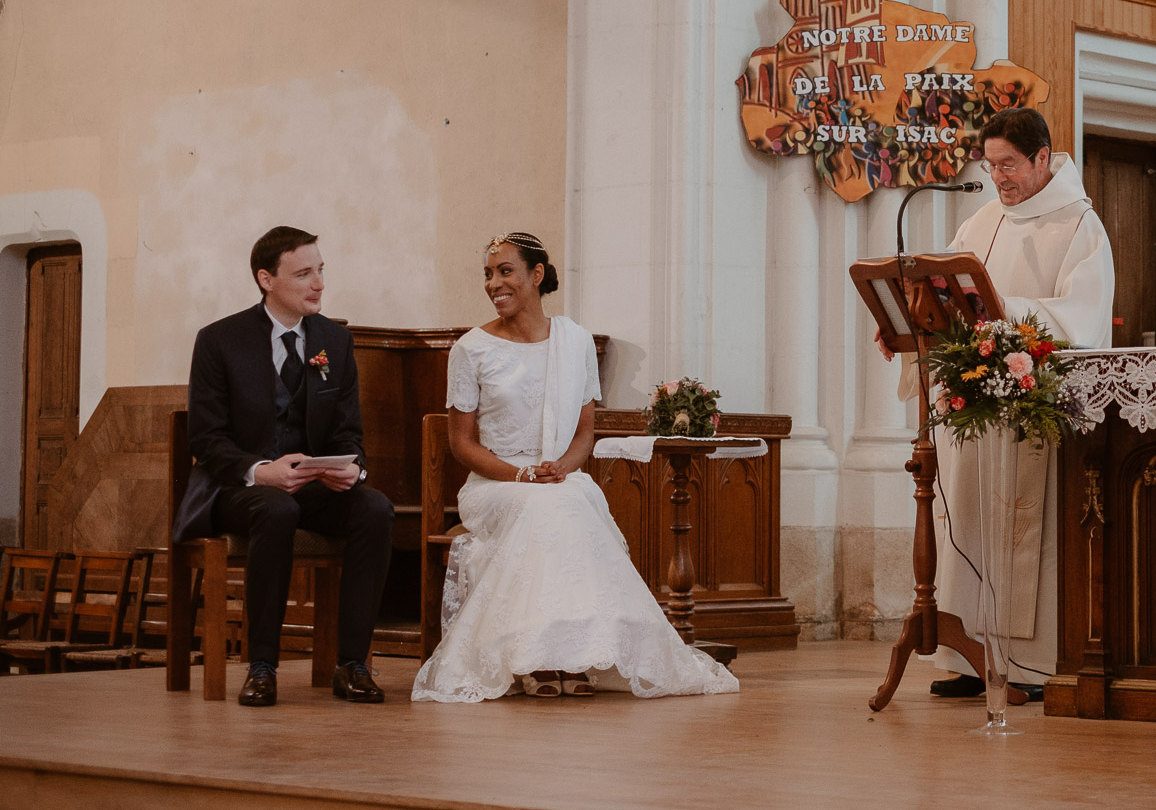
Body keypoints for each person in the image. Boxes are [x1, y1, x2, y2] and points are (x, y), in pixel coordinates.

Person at [410, 232, 739, 703]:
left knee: (572, 498)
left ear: (536, 275)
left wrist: (561, 467)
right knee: (548, 508)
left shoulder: (575, 341)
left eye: (505, 271)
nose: (493, 283)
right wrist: (522, 475)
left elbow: (586, 432)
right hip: (495, 484)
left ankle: (576, 652)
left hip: (558, 477)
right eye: (488, 273)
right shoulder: (471, 349)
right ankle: (536, 657)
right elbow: (461, 444)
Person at [879, 107, 1114, 699]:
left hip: (1030, 410)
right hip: (974, 409)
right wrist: (907, 323)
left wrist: (1002, 309)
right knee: (970, 521)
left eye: (1009, 164)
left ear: (1042, 157)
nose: (999, 177)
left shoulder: (1080, 225)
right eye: (991, 165)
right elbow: (945, 292)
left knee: (1017, 528)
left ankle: (1028, 668)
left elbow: (1081, 319)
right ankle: (968, 661)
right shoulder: (982, 219)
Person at [175, 226, 395, 707]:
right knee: (276, 510)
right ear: (266, 279)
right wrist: (262, 471)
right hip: (238, 488)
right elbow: (206, 439)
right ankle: (262, 666)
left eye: (320, 271)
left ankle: (353, 664)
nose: (318, 283)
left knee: (374, 509)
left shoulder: (333, 342)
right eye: (303, 273)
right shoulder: (219, 340)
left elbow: (347, 432)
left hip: (311, 486)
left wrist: (351, 468)